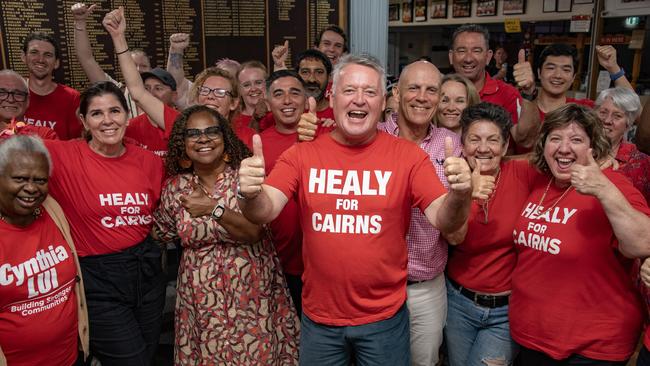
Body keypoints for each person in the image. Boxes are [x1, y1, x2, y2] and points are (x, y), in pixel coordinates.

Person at [238, 54, 473, 365]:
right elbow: (263, 210)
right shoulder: (302, 155)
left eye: (370, 92)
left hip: (384, 320)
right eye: (349, 90)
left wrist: (460, 195)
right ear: (331, 97)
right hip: (319, 320)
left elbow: (443, 217)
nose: (359, 100)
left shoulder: (409, 157)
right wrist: (249, 193)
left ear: (382, 102)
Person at [153, 105, 299, 364]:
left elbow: (254, 232)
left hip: (253, 294)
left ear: (225, 138)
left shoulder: (245, 180)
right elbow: (161, 233)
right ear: (182, 144)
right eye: (193, 134)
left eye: (212, 131)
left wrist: (213, 209)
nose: (203, 138)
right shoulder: (175, 189)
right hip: (201, 300)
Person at [510, 103, 650, 364]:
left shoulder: (615, 185)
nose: (564, 148)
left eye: (576, 139)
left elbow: (643, 243)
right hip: (531, 337)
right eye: (555, 139)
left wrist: (603, 189)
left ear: (593, 147)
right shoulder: (540, 179)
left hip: (591, 346)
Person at [44, 81, 166, 365]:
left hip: (147, 273)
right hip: (98, 280)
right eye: (97, 114)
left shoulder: (150, 161)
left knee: (147, 354)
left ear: (127, 115)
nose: (108, 120)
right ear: (84, 122)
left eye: (115, 111)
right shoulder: (61, 156)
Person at [375, 60, 461, 366]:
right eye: (413, 88)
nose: (422, 97)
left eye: (430, 90)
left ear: (439, 97)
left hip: (425, 287)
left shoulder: (451, 145)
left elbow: (458, 225)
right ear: (397, 93)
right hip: (376, 286)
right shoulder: (373, 136)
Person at [445, 102, 537, 366]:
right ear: (462, 144)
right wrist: (466, 194)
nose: (483, 148)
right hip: (458, 302)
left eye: (493, 140)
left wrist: (604, 160)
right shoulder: (452, 177)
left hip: (506, 310)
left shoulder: (522, 174)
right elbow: (454, 237)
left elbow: (557, 157)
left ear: (505, 147)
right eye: (474, 139)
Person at [0, 135, 88, 366]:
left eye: (40, 180)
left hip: (69, 358)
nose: (31, 188)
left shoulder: (53, 210)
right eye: (20, 178)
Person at [258, 70, 309, 314]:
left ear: (306, 99)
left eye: (294, 92)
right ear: (268, 103)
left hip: (320, 265)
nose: (287, 100)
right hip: (274, 262)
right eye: (279, 94)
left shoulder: (328, 137)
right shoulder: (257, 143)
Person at [448, 24, 539, 150]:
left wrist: (529, 92)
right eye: (462, 51)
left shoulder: (507, 93)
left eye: (476, 51)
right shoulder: (438, 93)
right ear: (451, 56)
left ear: (488, 56)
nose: (468, 58)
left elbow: (526, 141)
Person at [514, 43, 633, 121]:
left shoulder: (585, 110)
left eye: (566, 70)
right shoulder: (519, 107)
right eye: (551, 68)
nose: (558, 75)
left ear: (573, 77)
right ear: (539, 73)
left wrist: (613, 68)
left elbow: (632, 109)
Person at [72, 2, 152, 118]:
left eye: (143, 66)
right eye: (133, 65)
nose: (138, 70)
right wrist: (79, 22)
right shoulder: (116, 91)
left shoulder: (161, 94)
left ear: (152, 69)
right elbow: (86, 58)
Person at [21, 32, 82, 140]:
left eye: (48, 55)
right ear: (23, 57)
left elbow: (77, 141)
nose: (40, 59)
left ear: (56, 63)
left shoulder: (72, 98)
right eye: (34, 53)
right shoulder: (12, 94)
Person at [595, 87, 649, 203]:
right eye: (603, 112)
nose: (607, 120)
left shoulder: (642, 163)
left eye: (617, 116)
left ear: (628, 123)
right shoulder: (578, 150)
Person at [0, 70, 58, 139]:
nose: (10, 99)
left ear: (28, 101)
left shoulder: (45, 135)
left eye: (18, 94)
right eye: (2, 93)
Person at [235, 61, 268, 127]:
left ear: (267, 84)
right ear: (239, 90)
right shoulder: (233, 122)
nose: (253, 89)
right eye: (246, 85)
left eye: (258, 83)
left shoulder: (278, 116)